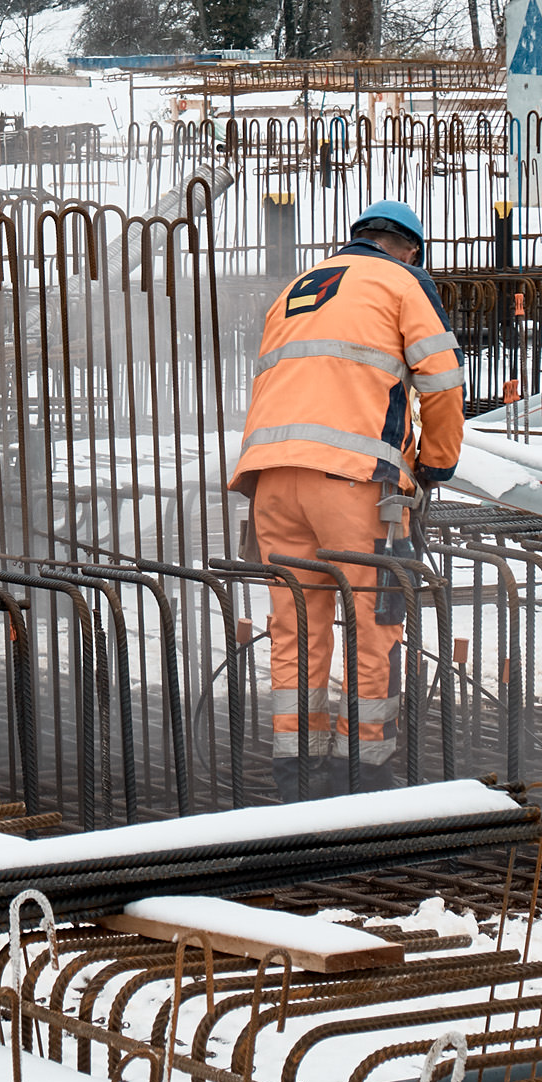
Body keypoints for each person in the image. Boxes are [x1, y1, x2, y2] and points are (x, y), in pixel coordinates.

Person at [230, 200, 462, 799]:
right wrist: (436, 462)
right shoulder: (401, 282)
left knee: (296, 623)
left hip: (271, 479)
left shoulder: (300, 286)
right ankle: (364, 768)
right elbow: (440, 380)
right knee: (373, 620)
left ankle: (295, 770)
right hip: (351, 481)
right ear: (410, 248)